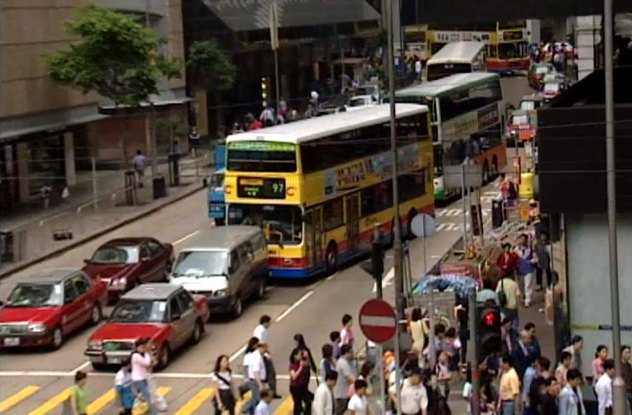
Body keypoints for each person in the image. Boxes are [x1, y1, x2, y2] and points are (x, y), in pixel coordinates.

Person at [131, 338, 156, 415]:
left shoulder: (141, 355)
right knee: (148, 396)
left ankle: (135, 409)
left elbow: (151, 364)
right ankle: (154, 413)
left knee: (140, 396)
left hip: (142, 378)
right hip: (138, 379)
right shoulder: (135, 356)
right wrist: (147, 354)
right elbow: (146, 363)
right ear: (137, 348)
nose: (142, 349)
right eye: (141, 347)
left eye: (143, 347)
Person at [244, 337, 267, 406]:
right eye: (265, 348)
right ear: (261, 347)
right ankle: (246, 409)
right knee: (260, 401)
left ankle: (247, 410)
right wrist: (260, 385)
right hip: (256, 382)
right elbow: (255, 372)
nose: (265, 350)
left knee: (255, 400)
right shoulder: (257, 357)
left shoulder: (257, 355)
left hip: (256, 381)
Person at [333, 344, 356, 415]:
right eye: (351, 352)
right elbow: (350, 377)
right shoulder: (343, 363)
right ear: (347, 353)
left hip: (344, 393)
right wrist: (360, 383)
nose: (352, 354)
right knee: (339, 412)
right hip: (341, 394)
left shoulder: (344, 362)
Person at [289, 348, 313, 415]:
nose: (301, 356)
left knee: (308, 401)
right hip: (295, 388)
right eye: (299, 355)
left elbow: (308, 364)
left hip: (302, 387)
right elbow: (294, 377)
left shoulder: (301, 362)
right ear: (295, 356)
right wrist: (300, 368)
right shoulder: (292, 365)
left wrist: (307, 356)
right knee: (298, 405)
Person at [514, 234, 536, 307]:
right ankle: (523, 297)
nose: (522, 241)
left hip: (529, 269)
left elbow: (535, 258)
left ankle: (528, 301)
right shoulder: (516, 250)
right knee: (521, 286)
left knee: (528, 285)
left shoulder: (530, 249)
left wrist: (530, 261)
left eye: (524, 239)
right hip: (520, 270)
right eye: (521, 239)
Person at [620, 345, 632, 413]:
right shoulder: (618, 365)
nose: (628, 355)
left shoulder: (629, 365)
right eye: (626, 352)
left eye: (629, 352)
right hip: (623, 392)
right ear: (621, 353)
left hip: (630, 390)